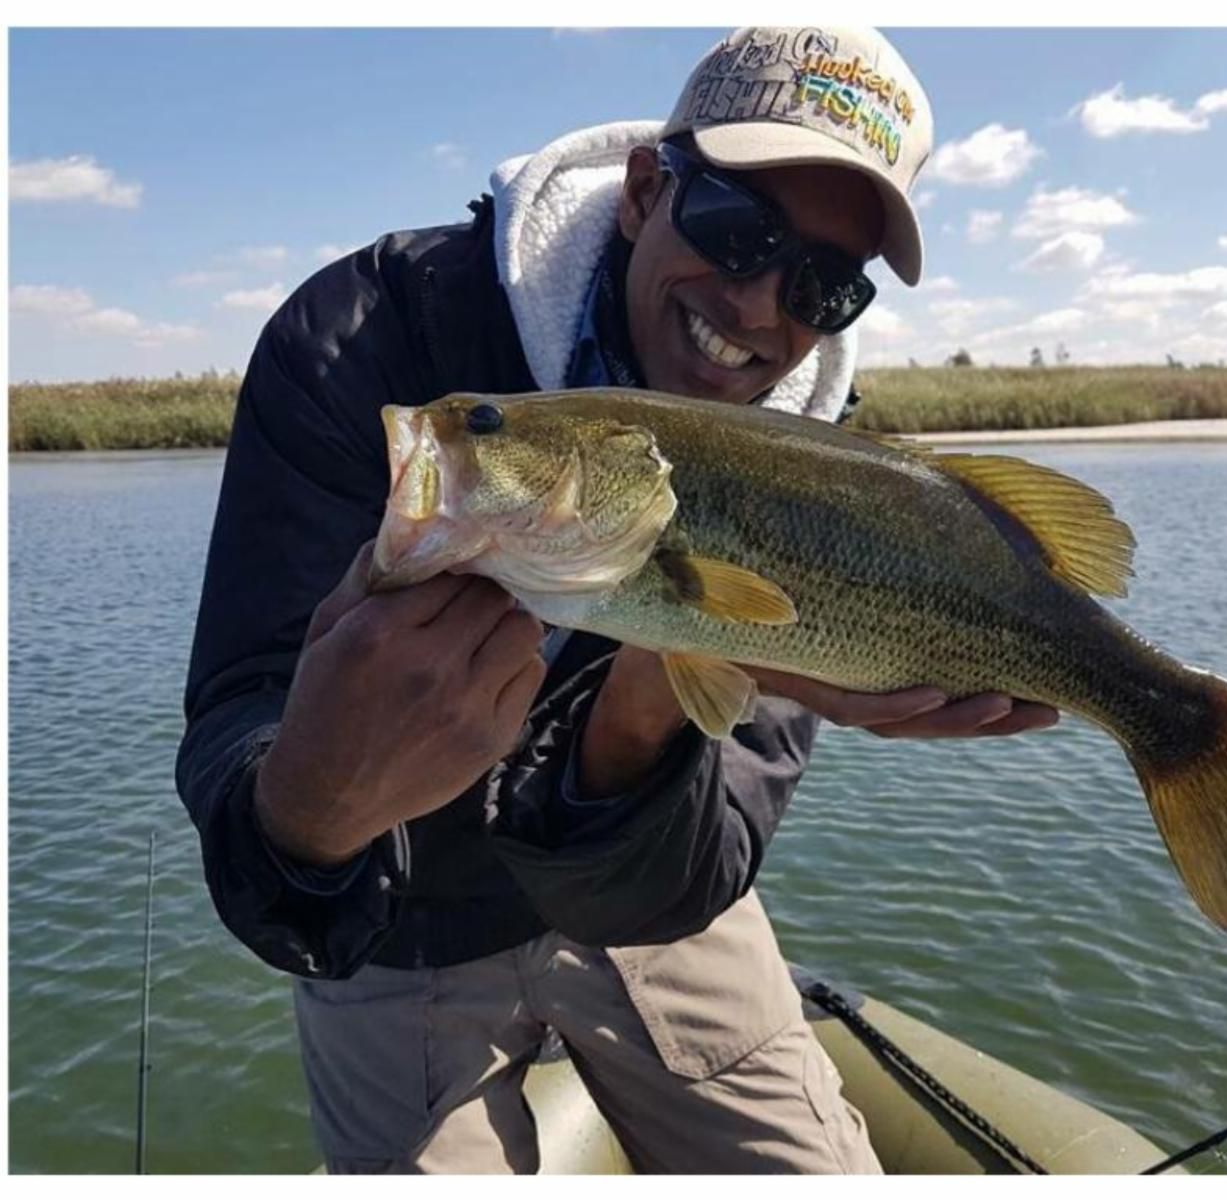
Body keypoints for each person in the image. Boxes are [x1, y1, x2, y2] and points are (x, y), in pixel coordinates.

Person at [176, 25, 1057, 1175]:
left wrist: (665, 673)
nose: (757, 307)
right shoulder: (364, 339)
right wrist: (309, 806)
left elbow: (697, 868)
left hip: (654, 916)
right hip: (399, 932)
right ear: (647, 188)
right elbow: (242, 737)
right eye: (737, 228)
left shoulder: (818, 468)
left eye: (823, 284)